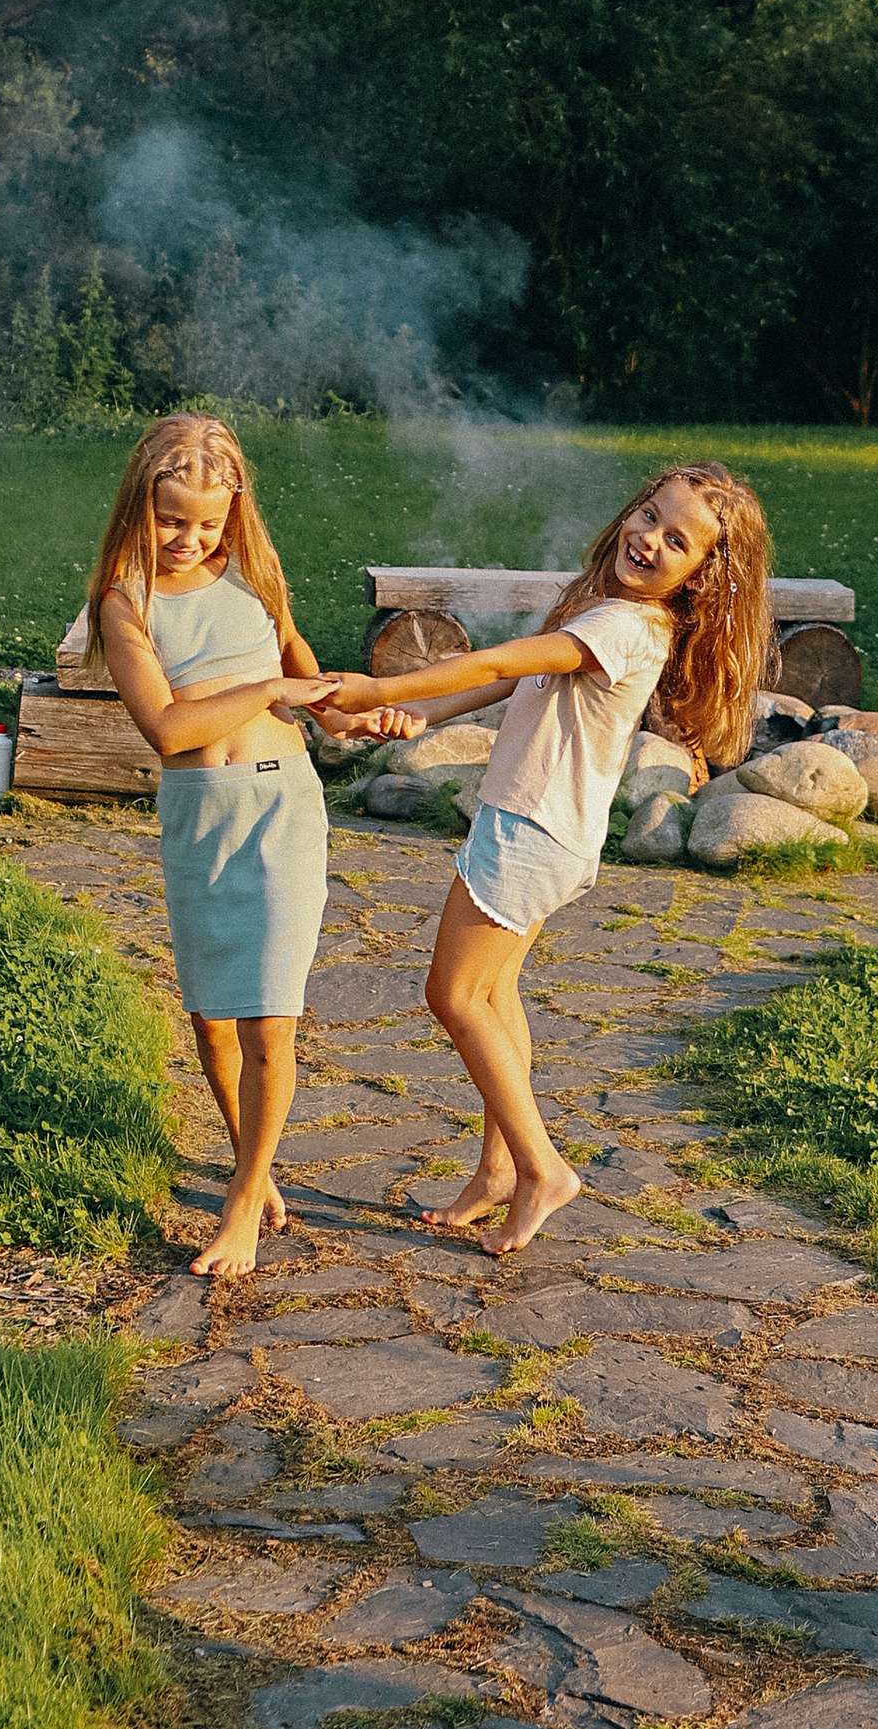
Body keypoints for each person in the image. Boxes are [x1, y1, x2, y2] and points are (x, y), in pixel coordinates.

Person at [323, 464, 772, 1257]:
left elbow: (495, 662)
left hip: (531, 829)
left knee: (453, 993)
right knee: (493, 995)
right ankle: (500, 1169)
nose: (648, 538)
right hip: (546, 828)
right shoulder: (611, 611)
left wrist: (369, 686)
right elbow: (505, 686)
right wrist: (406, 714)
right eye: (649, 513)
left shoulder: (629, 628)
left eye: (677, 540)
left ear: (703, 578)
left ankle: (541, 1168)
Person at [90, 411, 417, 1278]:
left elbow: (321, 698)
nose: (189, 539)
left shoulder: (258, 581)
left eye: (208, 523)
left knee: (271, 1016)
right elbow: (166, 726)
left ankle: (242, 1202)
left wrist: (363, 714)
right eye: (171, 519)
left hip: (283, 812)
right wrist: (268, 683)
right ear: (138, 504)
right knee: (211, 1017)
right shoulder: (126, 603)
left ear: (234, 514)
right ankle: (253, 1161)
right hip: (201, 813)